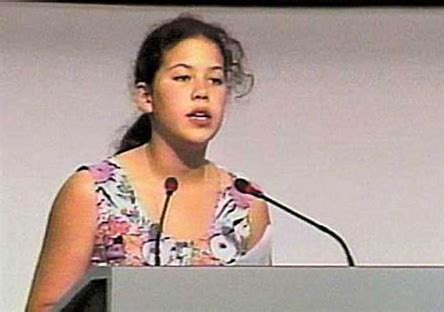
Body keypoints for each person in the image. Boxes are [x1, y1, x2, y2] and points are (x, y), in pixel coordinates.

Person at [26, 15, 272, 311]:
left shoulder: (247, 203)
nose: (201, 92)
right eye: (183, 77)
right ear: (146, 97)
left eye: (215, 80)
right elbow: (44, 307)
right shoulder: (93, 192)